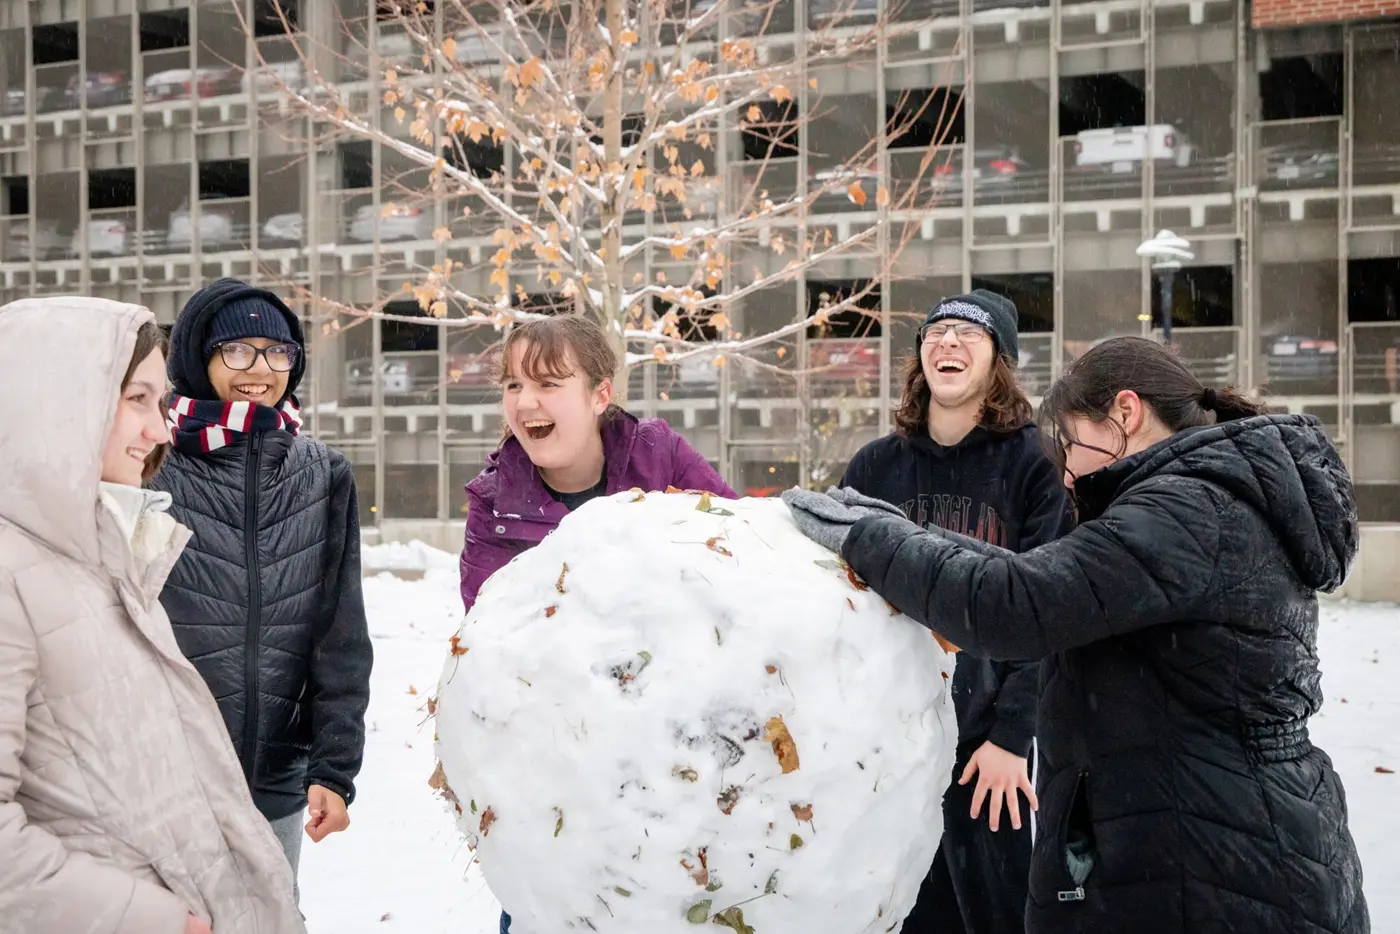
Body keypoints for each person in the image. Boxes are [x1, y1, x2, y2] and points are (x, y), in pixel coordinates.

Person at [783, 336, 1368, 934]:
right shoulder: (1201, 501)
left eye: (1067, 442)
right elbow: (1040, 577)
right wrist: (904, 532)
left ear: (1125, 413)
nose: (1064, 471)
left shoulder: (1189, 511)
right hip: (1213, 837)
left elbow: (1019, 604)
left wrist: (871, 540)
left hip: (1220, 861)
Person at [0, 296, 305, 934]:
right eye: (136, 400)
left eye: (159, 403)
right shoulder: (13, 576)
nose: (161, 430)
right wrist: (154, 920)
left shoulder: (108, 556)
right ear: (58, 402)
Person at [459, 314, 736, 933]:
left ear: (600, 394)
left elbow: (739, 554)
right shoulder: (496, 502)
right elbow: (490, 642)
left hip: (671, 766)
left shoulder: (658, 456)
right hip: (557, 775)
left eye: (549, 383)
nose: (525, 402)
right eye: (512, 386)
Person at [839, 290, 1073, 934]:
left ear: (999, 359)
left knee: (994, 911)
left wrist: (1010, 736)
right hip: (888, 736)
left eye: (969, 333)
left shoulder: (1035, 465)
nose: (947, 341)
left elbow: (1049, 610)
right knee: (900, 908)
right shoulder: (875, 465)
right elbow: (836, 600)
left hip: (984, 744)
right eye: (935, 332)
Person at [151, 278, 373, 901]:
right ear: (199, 358)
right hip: (167, 778)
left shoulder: (322, 473)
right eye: (238, 351)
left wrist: (334, 766)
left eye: (278, 353)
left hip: (275, 779)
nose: (262, 370)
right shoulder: (152, 461)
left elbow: (341, 632)